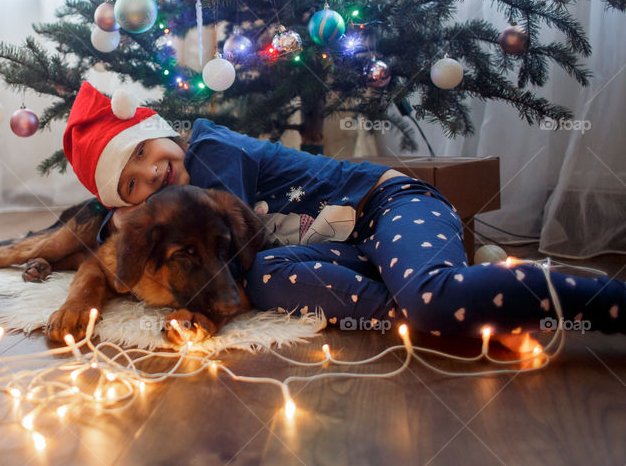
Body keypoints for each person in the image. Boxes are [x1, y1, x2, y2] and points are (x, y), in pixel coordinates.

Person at [61, 81, 626, 344]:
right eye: (131, 184)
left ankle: (594, 304)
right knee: (271, 275)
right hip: (341, 246)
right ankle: (476, 302)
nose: (152, 174)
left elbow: (227, 271)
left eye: (143, 152)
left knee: (433, 298)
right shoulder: (171, 207)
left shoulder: (212, 154)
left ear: (158, 131)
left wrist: (208, 314)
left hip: (387, 204)